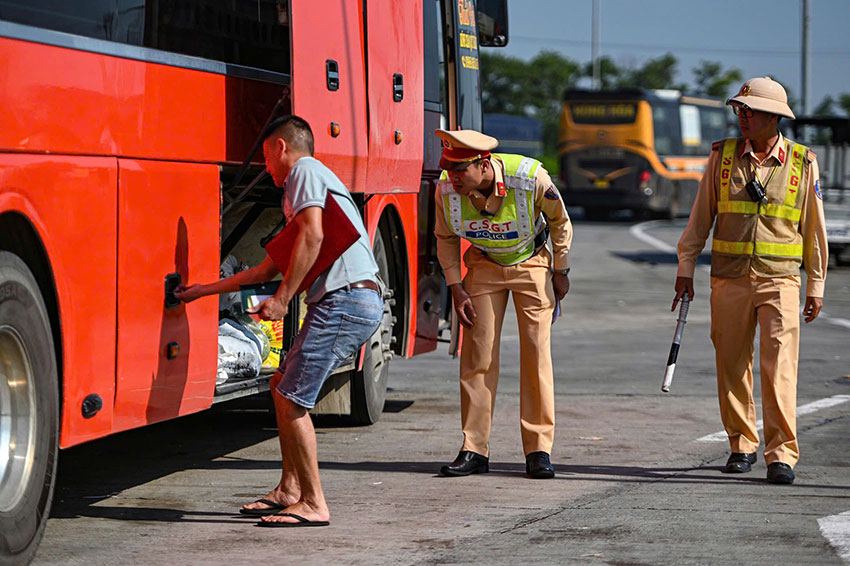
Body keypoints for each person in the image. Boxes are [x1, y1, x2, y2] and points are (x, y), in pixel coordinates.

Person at [175, 115, 383, 525]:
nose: (265, 167)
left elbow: (314, 236)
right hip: (344, 301)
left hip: (346, 301)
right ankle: (290, 488)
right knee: (281, 385)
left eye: (267, 157)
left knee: (291, 397)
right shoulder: (311, 184)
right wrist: (200, 291)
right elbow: (264, 271)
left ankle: (314, 503)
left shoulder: (303, 172)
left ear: (281, 148)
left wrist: (285, 299)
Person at [673, 77, 828, 485]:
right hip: (728, 280)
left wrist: (816, 284)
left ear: (773, 117)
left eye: (750, 111)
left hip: (781, 282)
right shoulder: (722, 157)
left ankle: (781, 455)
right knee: (731, 365)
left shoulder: (802, 161)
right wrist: (684, 267)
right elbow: (700, 217)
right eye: (739, 109)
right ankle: (742, 444)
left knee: (779, 369)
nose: (742, 117)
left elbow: (814, 229)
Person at [433, 129, 573, 479]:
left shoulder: (529, 178)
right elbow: (445, 238)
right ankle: (474, 449)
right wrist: (456, 288)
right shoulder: (447, 189)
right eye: (449, 169)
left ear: (483, 164)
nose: (454, 178)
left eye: (460, 170)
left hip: (532, 262)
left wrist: (561, 269)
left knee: (536, 355)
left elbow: (560, 221)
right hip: (483, 265)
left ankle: (538, 449)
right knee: (478, 357)